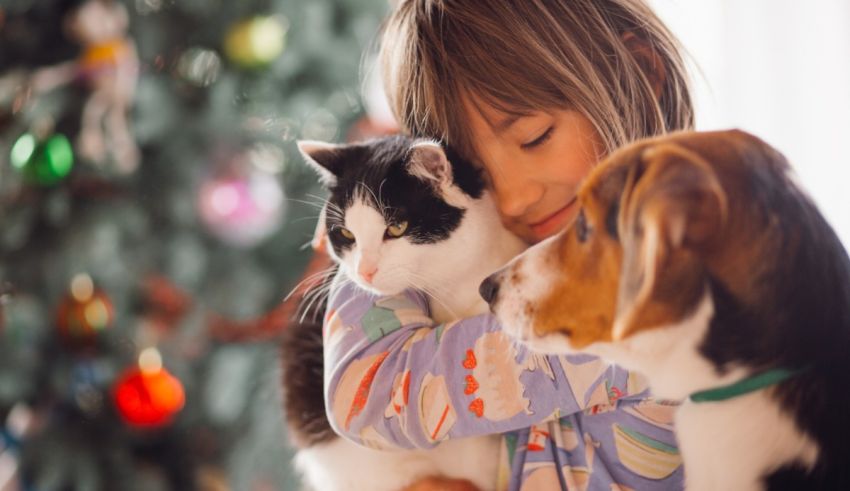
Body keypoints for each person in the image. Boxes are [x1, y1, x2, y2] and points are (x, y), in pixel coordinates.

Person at [322, 1, 694, 489]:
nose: (516, 197)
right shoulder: (451, 233)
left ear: (643, 72)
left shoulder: (703, 268)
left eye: (535, 137)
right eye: (471, 166)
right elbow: (363, 393)